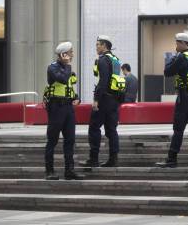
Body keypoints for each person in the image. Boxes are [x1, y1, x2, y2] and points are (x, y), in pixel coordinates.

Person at [157, 33, 188, 168]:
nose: (176, 46)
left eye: (177, 43)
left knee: (178, 129)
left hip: (184, 98)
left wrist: (174, 58)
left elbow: (167, 72)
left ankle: (172, 159)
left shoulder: (182, 57)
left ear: (184, 44)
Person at [82, 35, 126, 168]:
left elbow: (103, 81)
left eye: (98, 44)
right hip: (114, 100)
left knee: (94, 127)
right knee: (111, 129)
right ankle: (113, 159)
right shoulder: (116, 60)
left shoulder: (102, 60)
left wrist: (96, 100)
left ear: (105, 46)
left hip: (104, 99)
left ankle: (93, 158)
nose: (96, 47)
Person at [44, 42, 84, 180]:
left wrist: (77, 98)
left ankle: (69, 171)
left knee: (70, 140)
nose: (72, 55)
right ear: (63, 54)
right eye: (70, 52)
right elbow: (62, 79)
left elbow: (69, 88)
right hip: (56, 107)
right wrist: (67, 65)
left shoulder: (68, 69)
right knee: (52, 140)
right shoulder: (52, 68)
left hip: (68, 108)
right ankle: (49, 171)